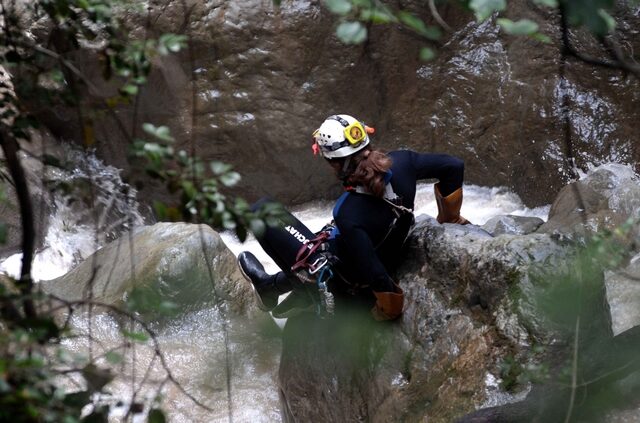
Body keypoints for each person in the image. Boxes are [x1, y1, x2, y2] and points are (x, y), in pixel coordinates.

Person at [238, 114, 470, 321]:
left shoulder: (347, 212)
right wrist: (450, 218)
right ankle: (272, 286)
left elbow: (376, 275)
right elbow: (454, 166)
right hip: (388, 251)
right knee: (328, 238)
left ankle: (300, 292)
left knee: (261, 209)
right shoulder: (403, 162)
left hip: (348, 284)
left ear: (334, 163)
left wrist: (388, 308)